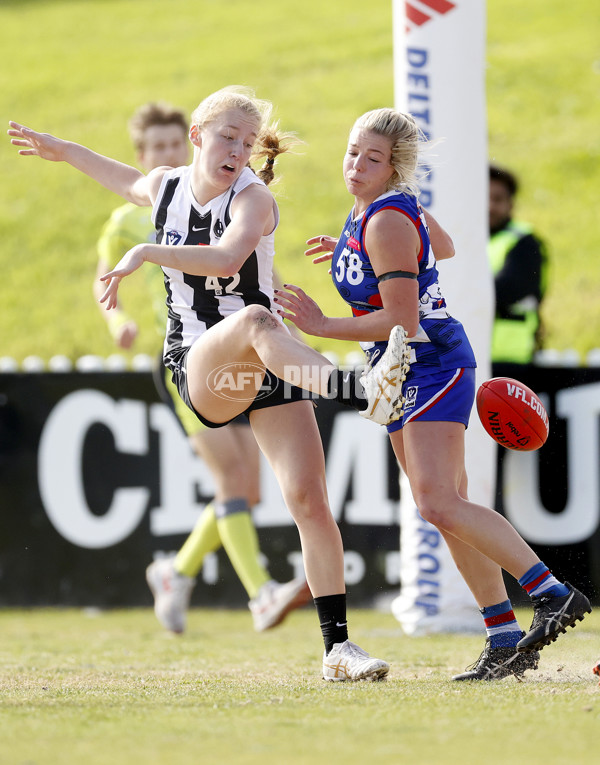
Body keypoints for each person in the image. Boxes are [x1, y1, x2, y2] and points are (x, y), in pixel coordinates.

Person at [9, 86, 406, 681]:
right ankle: (362, 395)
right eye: (227, 137)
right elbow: (120, 178)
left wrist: (148, 250)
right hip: (203, 363)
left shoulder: (255, 200)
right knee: (251, 320)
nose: (238, 151)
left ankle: (338, 651)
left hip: (271, 364)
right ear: (198, 135)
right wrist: (60, 149)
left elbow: (225, 258)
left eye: (247, 143)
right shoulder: (165, 186)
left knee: (309, 501)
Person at [272, 107, 591, 681]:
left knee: (439, 503)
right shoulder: (376, 212)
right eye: (352, 152)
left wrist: (320, 325)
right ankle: (503, 637)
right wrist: (364, 252)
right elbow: (439, 246)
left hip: (427, 361)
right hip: (403, 366)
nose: (356, 165)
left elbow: (401, 313)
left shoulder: (384, 219)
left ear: (395, 167)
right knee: (445, 508)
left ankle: (551, 593)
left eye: (373, 159)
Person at [93, 101, 310, 634]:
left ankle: (177, 571)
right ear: (145, 156)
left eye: (173, 145)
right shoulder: (131, 217)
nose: (168, 156)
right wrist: (115, 323)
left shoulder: (227, 198)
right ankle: (260, 593)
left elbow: (253, 263)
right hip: (187, 359)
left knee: (248, 489)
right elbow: (103, 284)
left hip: (241, 349)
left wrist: (286, 320)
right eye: (158, 149)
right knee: (235, 478)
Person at [488, 163, 548, 364]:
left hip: (511, 359)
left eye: (498, 199)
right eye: (485, 198)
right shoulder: (462, 238)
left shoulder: (525, 241)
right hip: (467, 352)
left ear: (511, 204)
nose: (490, 206)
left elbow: (511, 288)